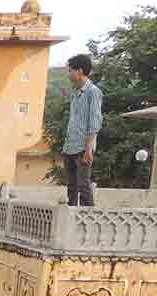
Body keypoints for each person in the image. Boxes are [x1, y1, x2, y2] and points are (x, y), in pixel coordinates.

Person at [61, 53, 103, 208]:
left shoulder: (93, 92)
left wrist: (89, 149)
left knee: (83, 185)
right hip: (70, 146)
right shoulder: (75, 93)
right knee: (71, 186)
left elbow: (94, 121)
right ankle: (70, 215)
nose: (69, 74)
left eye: (70, 70)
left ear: (79, 71)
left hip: (83, 147)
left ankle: (89, 219)